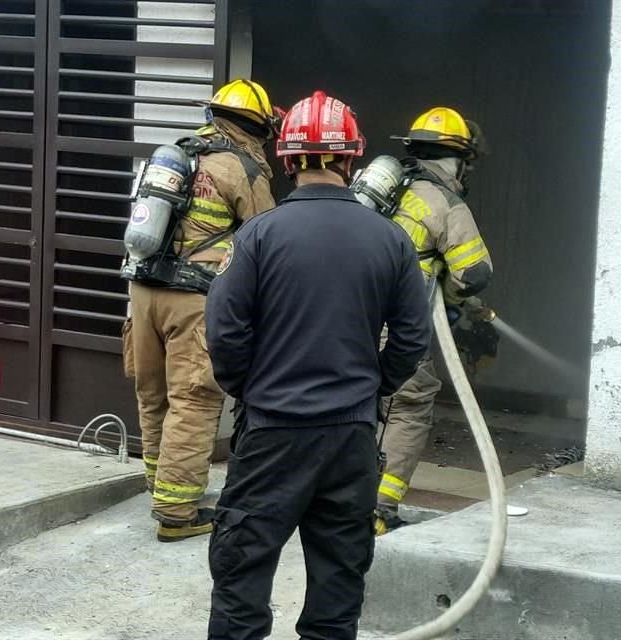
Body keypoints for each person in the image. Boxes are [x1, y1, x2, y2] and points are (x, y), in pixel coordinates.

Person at [204, 91, 431, 640]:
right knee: (339, 577)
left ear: (287, 159)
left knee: (243, 571)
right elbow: (412, 336)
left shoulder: (258, 236)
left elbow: (224, 332)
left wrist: (251, 387)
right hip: (351, 437)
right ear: (350, 158)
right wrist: (374, 384)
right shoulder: (391, 239)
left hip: (272, 432)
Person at [121, 78, 279, 542]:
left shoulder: (176, 155)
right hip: (194, 300)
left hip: (143, 293)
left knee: (153, 396)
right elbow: (265, 238)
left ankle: (159, 486)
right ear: (260, 126)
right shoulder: (243, 168)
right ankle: (177, 511)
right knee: (193, 400)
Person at [375, 107, 494, 534]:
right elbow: (473, 274)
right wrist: (461, 301)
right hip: (396, 328)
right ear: (460, 158)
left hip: (342, 320)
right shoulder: (444, 200)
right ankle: (377, 508)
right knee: (406, 407)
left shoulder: (380, 192)